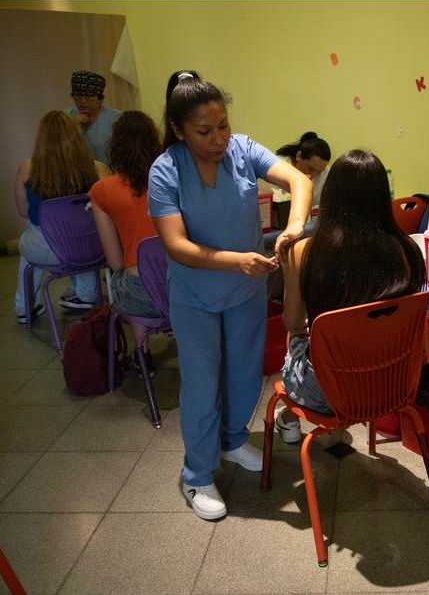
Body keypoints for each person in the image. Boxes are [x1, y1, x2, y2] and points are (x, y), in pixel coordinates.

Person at [148, 70, 313, 521]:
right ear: (180, 130)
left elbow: (299, 182)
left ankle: (233, 439)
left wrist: (295, 227)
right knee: (202, 383)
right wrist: (235, 260)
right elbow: (176, 245)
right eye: (205, 131)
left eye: (222, 125)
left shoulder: (242, 150)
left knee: (243, 371)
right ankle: (197, 474)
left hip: (246, 288)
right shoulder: (166, 170)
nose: (218, 139)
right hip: (196, 294)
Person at [273, 149, 426, 444]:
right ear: (383, 197)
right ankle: (292, 417)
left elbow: (292, 323)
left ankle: (288, 418)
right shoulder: (407, 251)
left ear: (331, 196)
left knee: (299, 337)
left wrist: (288, 268)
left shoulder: (304, 252)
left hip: (328, 393)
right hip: (392, 384)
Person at [13, 111, 108, 322]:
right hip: (91, 249)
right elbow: (108, 210)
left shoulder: (27, 168)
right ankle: (87, 295)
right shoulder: (98, 169)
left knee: (28, 247)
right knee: (84, 231)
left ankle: (26, 307)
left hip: (46, 249)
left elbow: (23, 211)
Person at [88, 111, 163, 375]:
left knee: (125, 277)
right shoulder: (171, 179)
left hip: (143, 296)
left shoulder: (102, 191)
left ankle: (143, 355)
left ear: (115, 146)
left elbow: (115, 261)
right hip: (185, 289)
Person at [271, 131, 331, 229]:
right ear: (299, 156)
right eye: (310, 169)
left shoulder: (325, 172)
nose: (314, 174)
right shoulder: (278, 166)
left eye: (319, 171)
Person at [65, 71, 121, 165]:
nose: (83, 101)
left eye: (89, 97)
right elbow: (58, 150)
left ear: (100, 99)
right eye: (78, 96)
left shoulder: (116, 119)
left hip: (107, 175)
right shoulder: (66, 116)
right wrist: (73, 125)